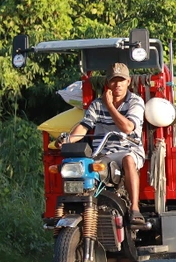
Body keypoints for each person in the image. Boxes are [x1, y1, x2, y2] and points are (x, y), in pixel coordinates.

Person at [57, 63, 146, 226]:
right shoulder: (97, 104)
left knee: (128, 159)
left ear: (128, 81)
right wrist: (67, 139)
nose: (117, 84)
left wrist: (110, 105)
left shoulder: (136, 102)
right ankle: (80, 210)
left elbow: (127, 127)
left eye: (121, 80)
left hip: (129, 150)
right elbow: (84, 126)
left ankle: (135, 209)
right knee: (83, 168)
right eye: (114, 80)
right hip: (102, 153)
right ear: (108, 83)